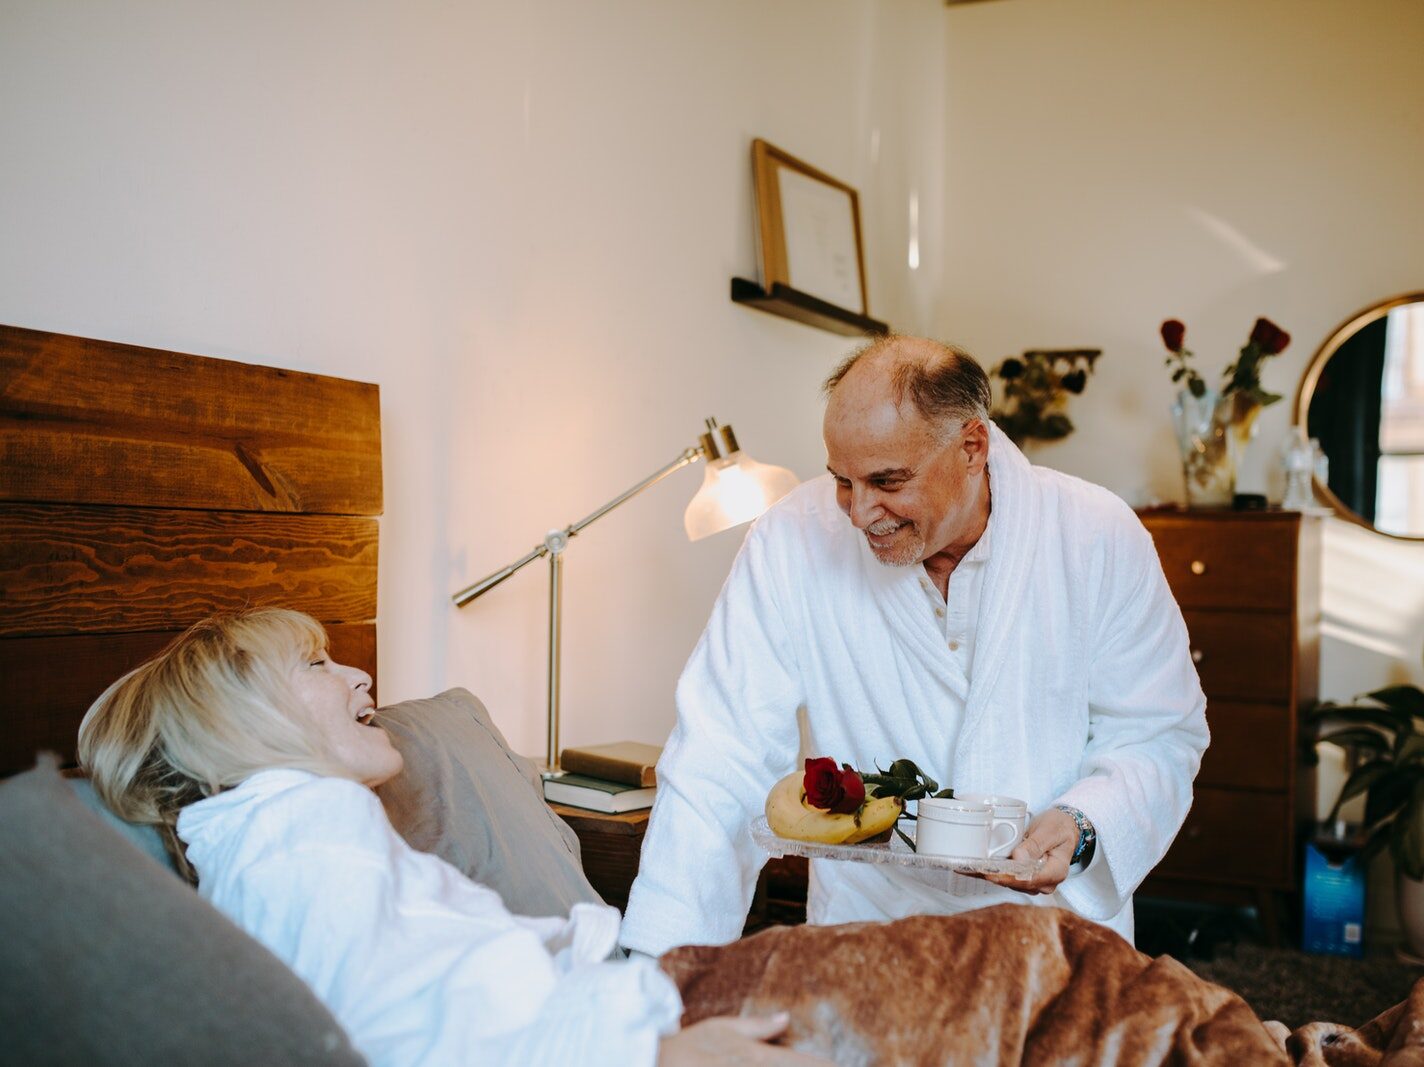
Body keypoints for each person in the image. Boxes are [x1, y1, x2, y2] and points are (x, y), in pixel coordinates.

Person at [620, 335, 1209, 957]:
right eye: (843, 481)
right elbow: (721, 753)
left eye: (888, 481)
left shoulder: (1097, 536)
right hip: (868, 932)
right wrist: (663, 962)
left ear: (971, 448)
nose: (859, 513)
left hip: (1055, 938)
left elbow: (1157, 731)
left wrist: (1084, 826)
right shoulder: (793, 539)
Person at [76, 608, 824, 1067]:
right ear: (235, 719)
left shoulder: (292, 826)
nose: (360, 675)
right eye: (315, 662)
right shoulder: (295, 838)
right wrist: (655, 1054)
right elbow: (385, 1029)